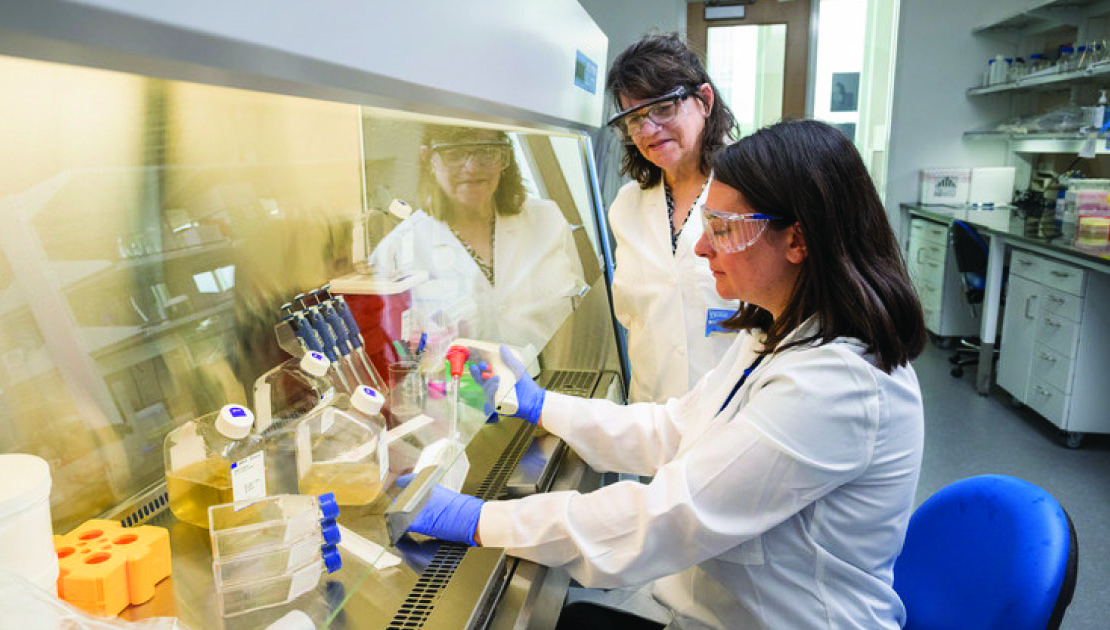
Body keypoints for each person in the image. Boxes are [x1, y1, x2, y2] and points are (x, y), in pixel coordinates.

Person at [397, 120, 929, 630]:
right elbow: (676, 429)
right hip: (707, 610)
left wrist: (477, 520)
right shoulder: (775, 333)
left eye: (722, 230)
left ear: (797, 241)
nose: (702, 248)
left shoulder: (837, 383)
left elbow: (669, 515)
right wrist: (542, 405)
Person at [604, 32, 740, 403]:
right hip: (650, 418)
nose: (648, 130)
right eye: (633, 119)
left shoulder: (750, 193)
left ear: (704, 100)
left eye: (663, 108)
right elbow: (634, 320)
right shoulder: (626, 207)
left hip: (734, 418)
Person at [369, 125, 587, 355]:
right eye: (454, 154)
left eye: (486, 151)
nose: (472, 167)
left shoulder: (548, 220)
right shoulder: (397, 249)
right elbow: (395, 357)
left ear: (505, 156)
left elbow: (579, 312)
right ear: (428, 159)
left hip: (554, 385)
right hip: (460, 390)